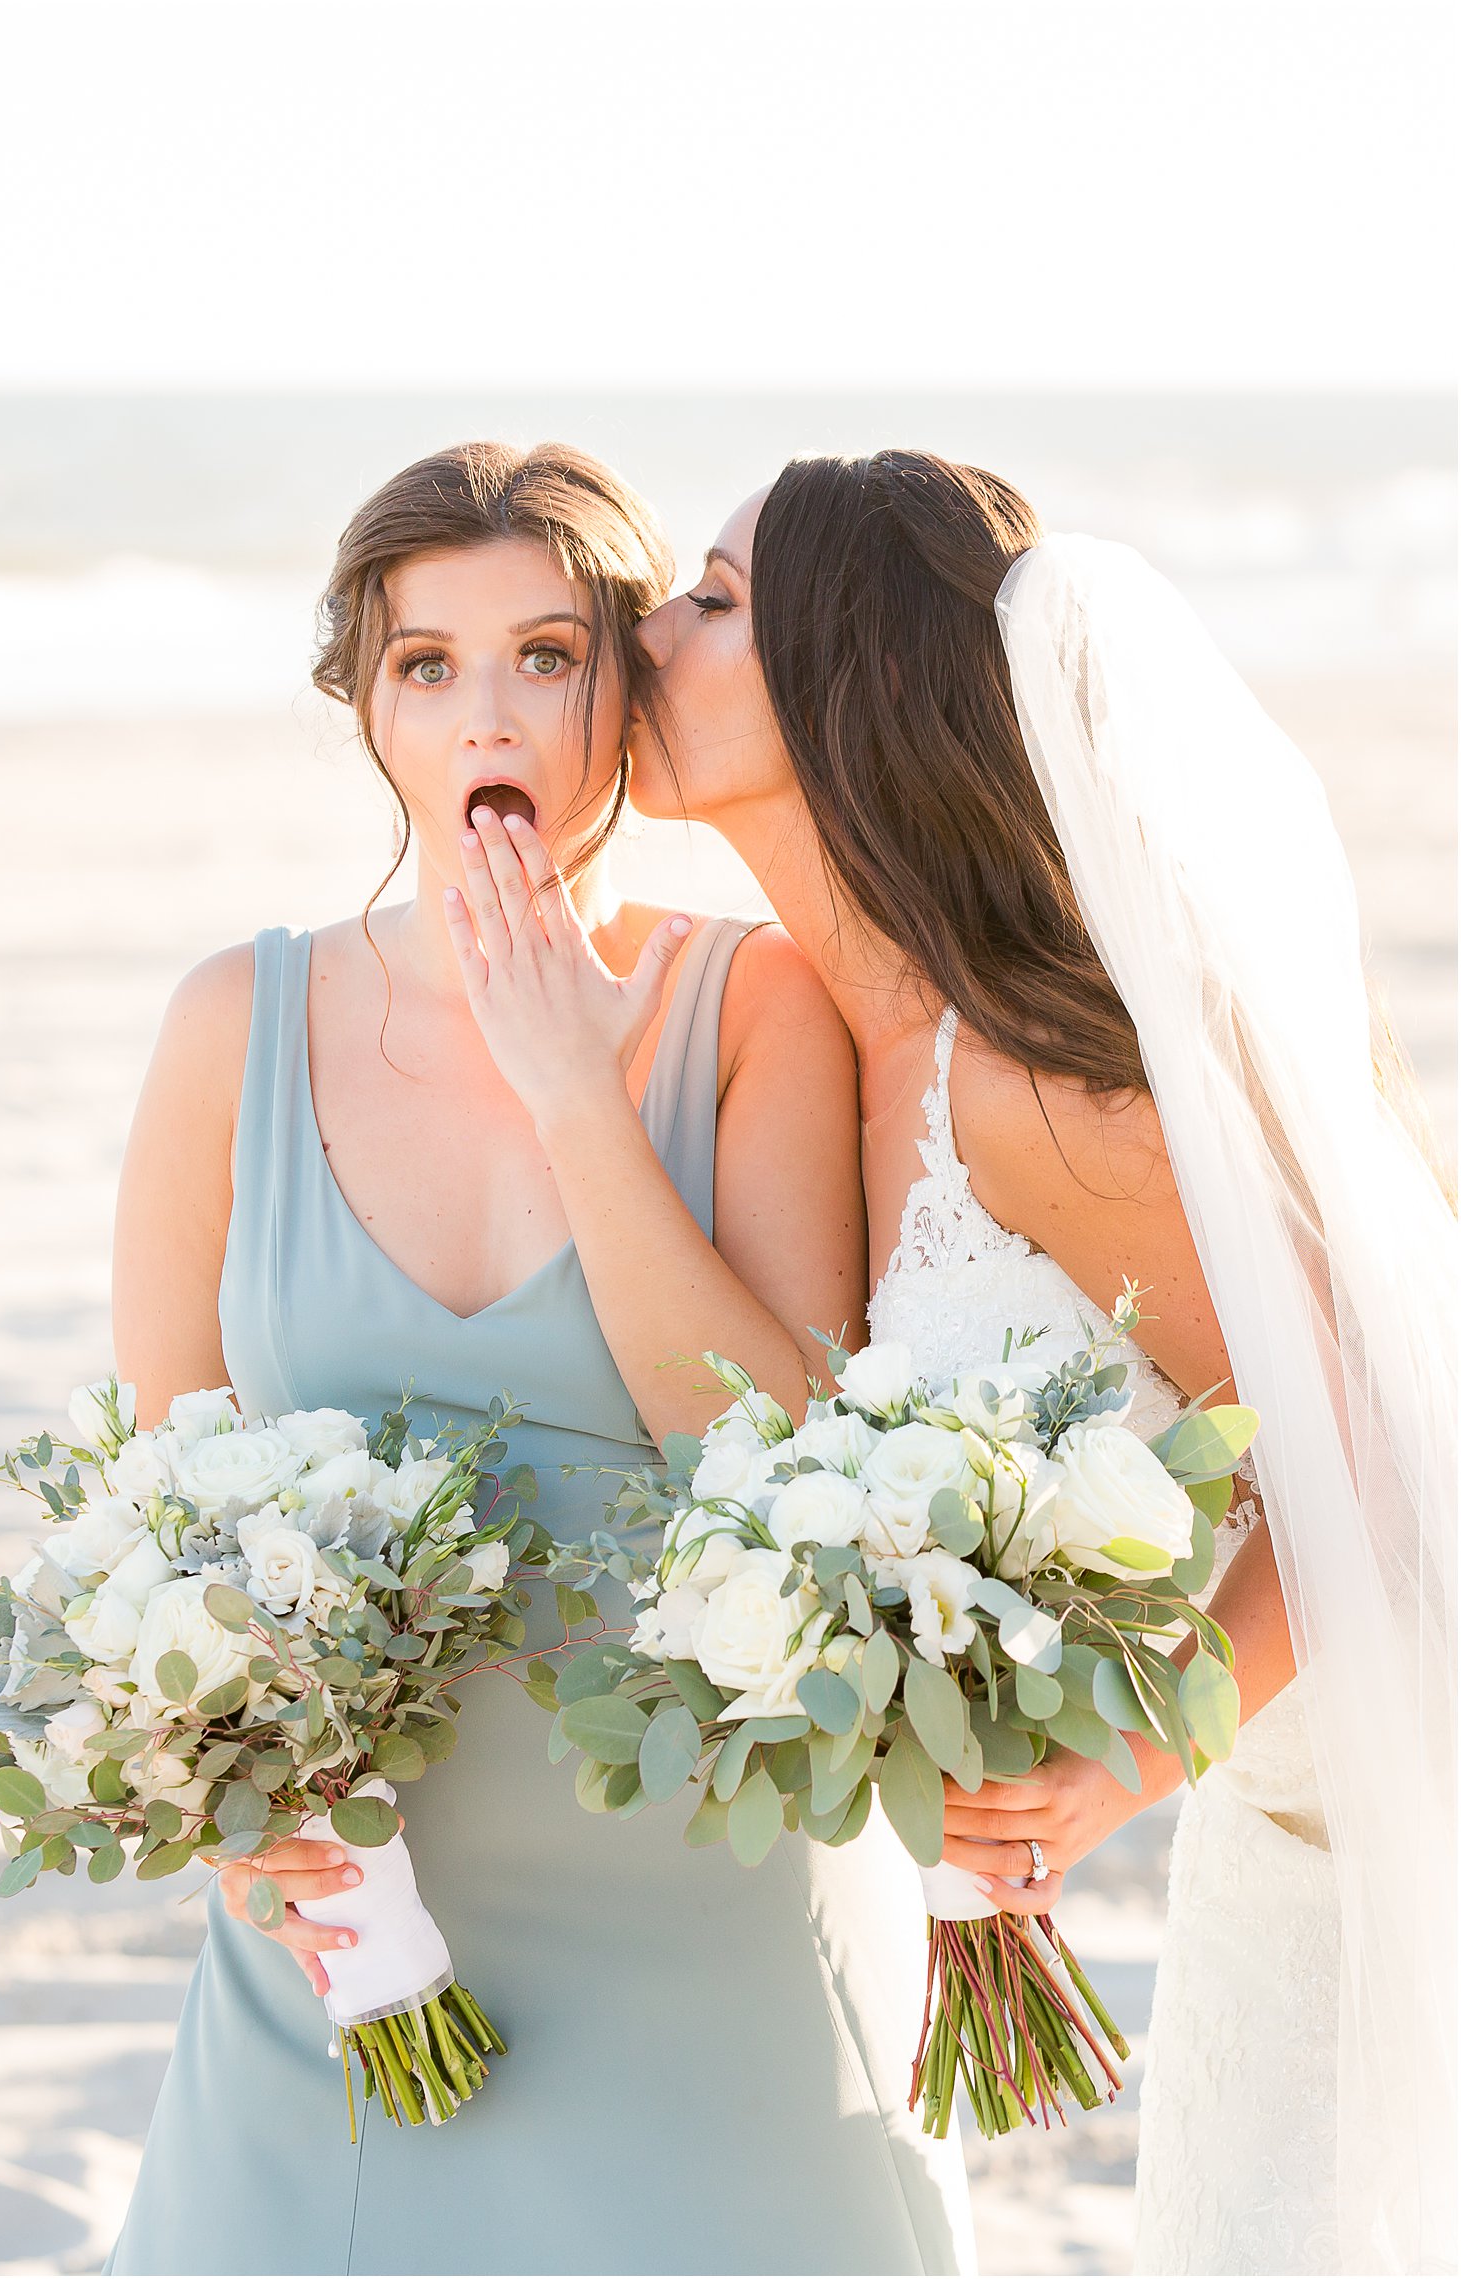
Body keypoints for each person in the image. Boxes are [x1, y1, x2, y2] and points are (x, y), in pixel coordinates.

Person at [103, 441, 975, 2276]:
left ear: (623, 684)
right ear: (370, 709)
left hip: (711, 1926)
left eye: (548, 656)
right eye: (427, 664)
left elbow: (769, 1453)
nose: (486, 711)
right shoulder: (228, 1026)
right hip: (354, 1942)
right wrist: (220, 1821)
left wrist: (579, 1082)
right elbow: (156, 1518)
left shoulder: (750, 1009)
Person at [629, 452, 1456, 2277]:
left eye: (705, 598)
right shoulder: (807, 1024)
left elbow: (1392, 1437)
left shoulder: (1035, 1077)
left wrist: (1127, 1761)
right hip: (1272, 1807)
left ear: (841, 680)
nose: (642, 633)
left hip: (1371, 1789)